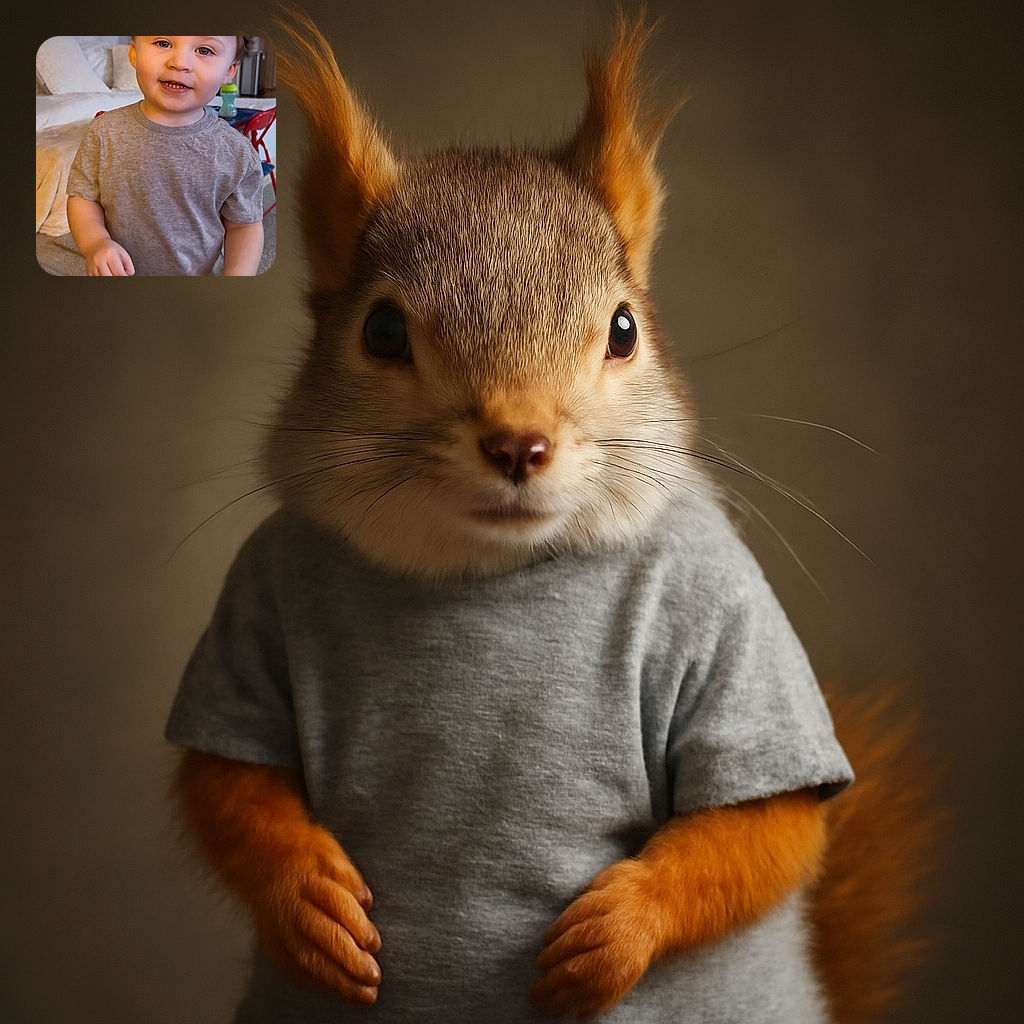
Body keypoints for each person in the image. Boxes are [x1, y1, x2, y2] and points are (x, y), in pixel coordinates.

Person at [67, 36, 265, 276]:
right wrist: (95, 243)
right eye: (163, 43)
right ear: (133, 53)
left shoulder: (237, 152)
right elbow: (83, 198)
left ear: (229, 70)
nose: (179, 62)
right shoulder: (103, 132)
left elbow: (244, 227)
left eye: (204, 49)